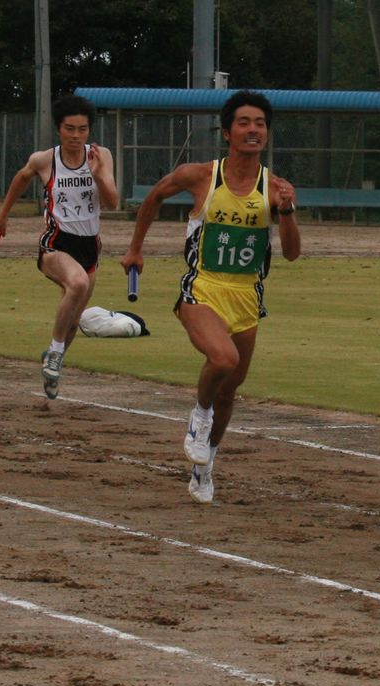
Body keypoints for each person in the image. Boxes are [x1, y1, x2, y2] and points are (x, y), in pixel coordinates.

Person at [120, 90, 301, 505]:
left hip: (246, 297)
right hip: (201, 287)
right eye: (244, 122)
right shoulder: (201, 175)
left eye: (260, 123)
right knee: (223, 360)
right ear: (227, 132)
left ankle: (205, 466)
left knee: (230, 389)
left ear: (267, 133)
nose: (252, 129)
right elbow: (154, 197)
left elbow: (291, 253)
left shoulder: (274, 188)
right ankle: (197, 417)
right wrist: (135, 249)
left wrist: (288, 211)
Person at [0, 95, 118, 399]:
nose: (76, 136)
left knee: (74, 319)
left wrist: (98, 174)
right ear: (59, 129)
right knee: (77, 283)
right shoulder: (44, 160)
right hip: (56, 243)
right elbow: (21, 179)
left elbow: (112, 203)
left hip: (90, 247)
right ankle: (56, 354)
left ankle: (52, 359)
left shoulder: (102, 156)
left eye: (82, 129)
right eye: (70, 129)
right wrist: (2, 215)